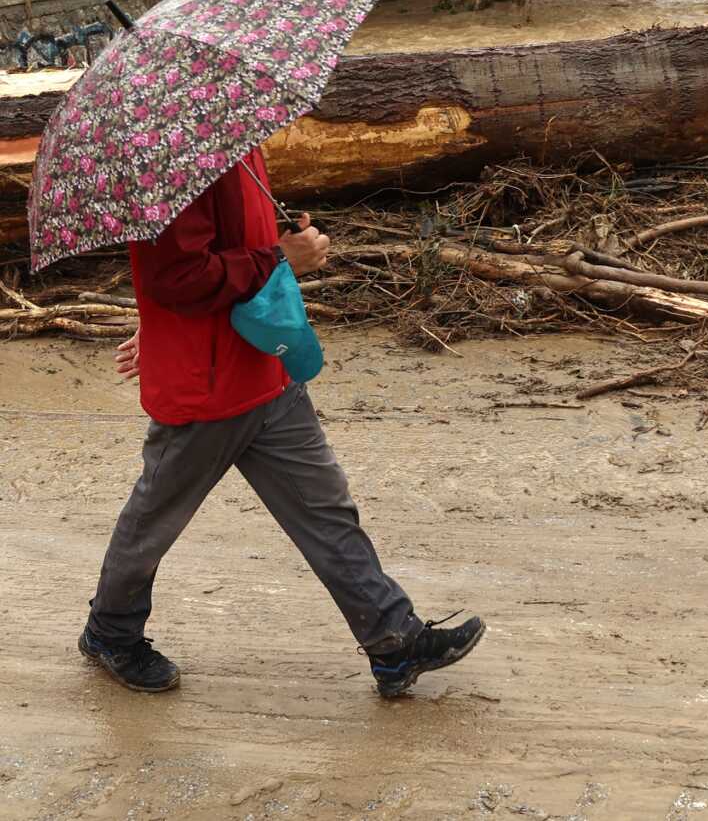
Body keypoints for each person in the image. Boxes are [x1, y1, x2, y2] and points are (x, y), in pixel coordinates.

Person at [78, 147, 485, 697]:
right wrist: (279, 258)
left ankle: (394, 643)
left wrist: (278, 249)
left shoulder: (236, 138)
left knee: (326, 508)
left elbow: (215, 258)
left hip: (263, 367)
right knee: (155, 518)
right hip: (206, 388)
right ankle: (110, 632)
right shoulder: (167, 158)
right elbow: (175, 276)